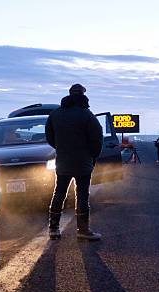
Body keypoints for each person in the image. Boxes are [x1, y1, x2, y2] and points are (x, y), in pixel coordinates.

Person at [46, 84, 103, 241]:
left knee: (59, 193)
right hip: (83, 162)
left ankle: (53, 229)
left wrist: (60, 148)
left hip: (63, 161)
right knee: (82, 195)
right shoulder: (87, 115)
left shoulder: (55, 114)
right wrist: (93, 156)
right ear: (83, 95)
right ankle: (83, 230)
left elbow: (49, 137)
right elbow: (97, 139)